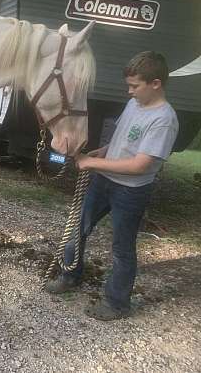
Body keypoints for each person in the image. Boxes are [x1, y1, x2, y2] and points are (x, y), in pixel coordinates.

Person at [45, 51, 179, 321]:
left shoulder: (164, 120)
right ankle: (70, 275)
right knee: (77, 229)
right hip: (103, 182)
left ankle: (117, 303)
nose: (129, 92)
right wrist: (102, 152)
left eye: (134, 86)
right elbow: (122, 139)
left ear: (155, 84)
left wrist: (91, 164)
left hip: (130, 192)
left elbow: (140, 165)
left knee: (122, 248)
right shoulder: (135, 105)